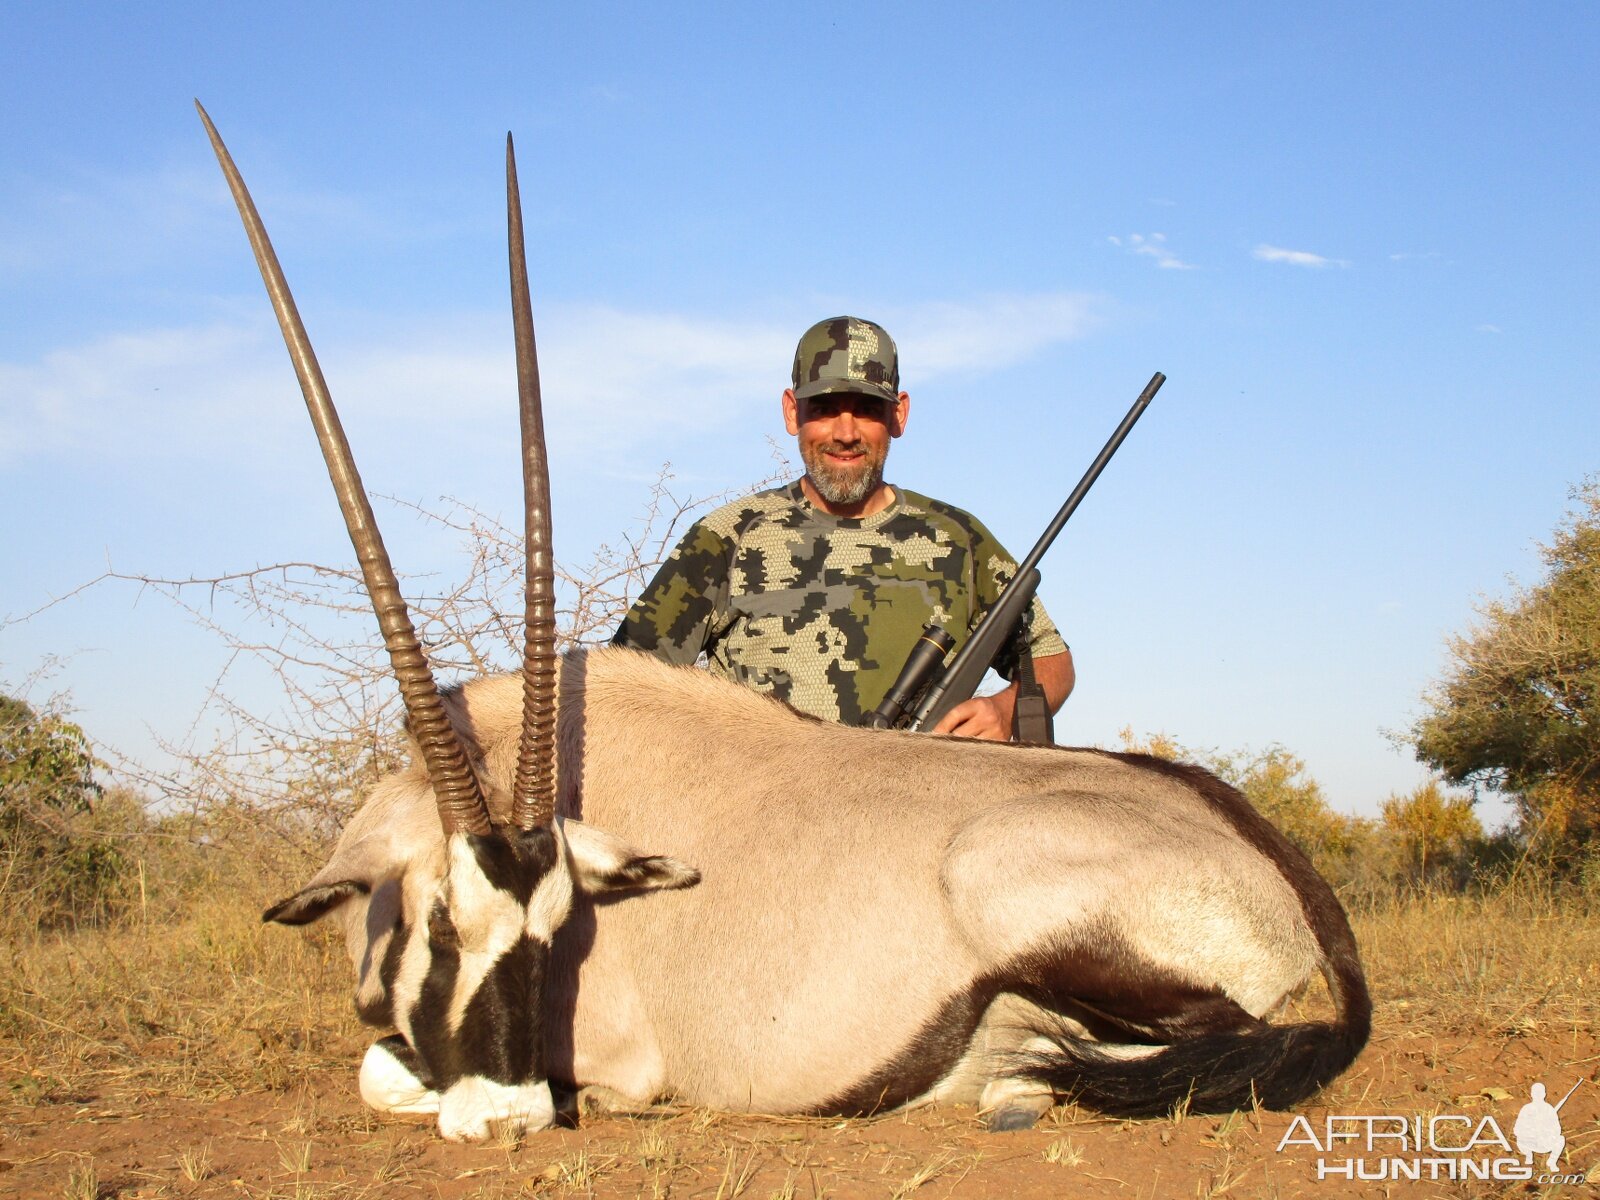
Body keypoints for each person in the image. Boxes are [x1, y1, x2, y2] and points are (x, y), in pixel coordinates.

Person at [613, 315, 1075, 740]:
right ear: (792, 412)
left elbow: (1052, 660)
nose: (846, 431)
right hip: (763, 819)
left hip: (926, 813)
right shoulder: (727, 537)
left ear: (899, 415)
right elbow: (621, 684)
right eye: (826, 408)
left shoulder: (959, 538)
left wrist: (1003, 709)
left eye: (868, 408)